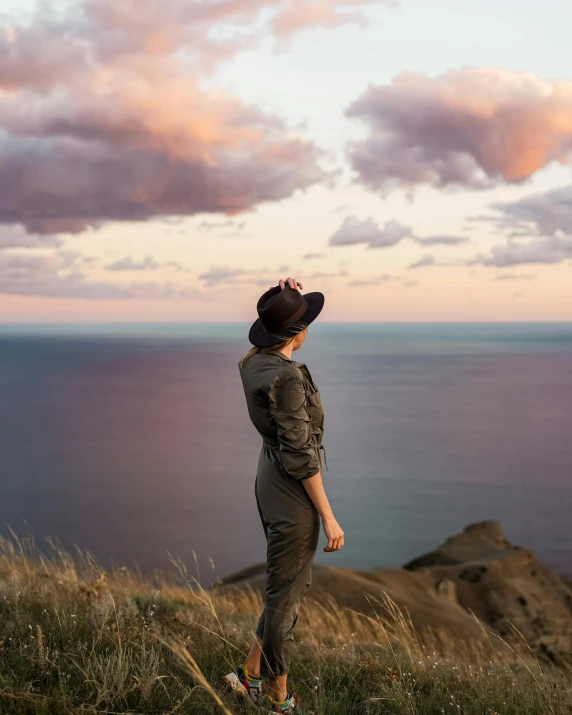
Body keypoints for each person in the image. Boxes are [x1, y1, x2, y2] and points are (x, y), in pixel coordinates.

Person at [223, 276, 344, 714]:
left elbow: (287, 446)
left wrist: (282, 299)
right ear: (296, 334)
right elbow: (302, 458)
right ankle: (279, 701)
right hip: (292, 494)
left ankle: (247, 676)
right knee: (286, 600)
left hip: (267, 480)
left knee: (281, 589)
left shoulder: (252, 363)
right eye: (304, 320)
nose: (309, 326)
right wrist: (327, 516)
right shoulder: (287, 379)